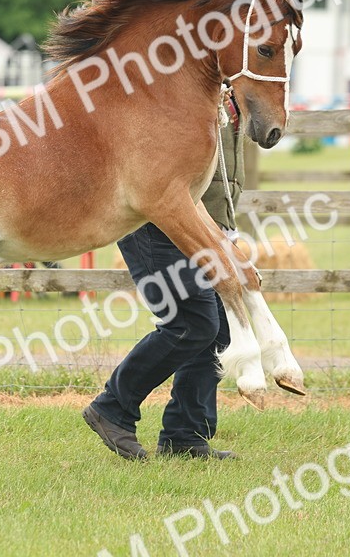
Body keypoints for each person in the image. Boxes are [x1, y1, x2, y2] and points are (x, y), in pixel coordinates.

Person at [83, 98, 246, 459]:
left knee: (216, 329)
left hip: (202, 227)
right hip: (155, 220)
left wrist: (224, 232)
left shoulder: (227, 92)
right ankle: (111, 408)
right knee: (191, 322)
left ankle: (185, 436)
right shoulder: (178, 90)